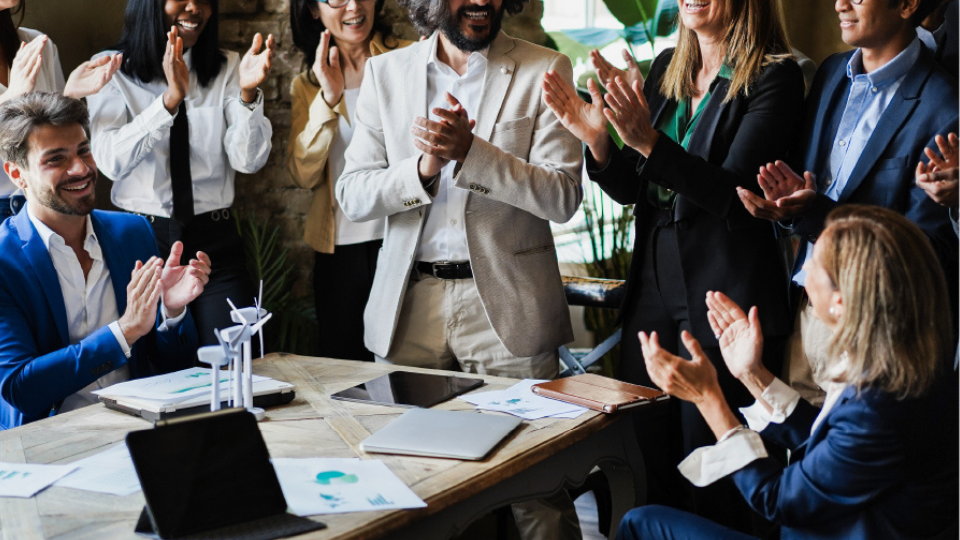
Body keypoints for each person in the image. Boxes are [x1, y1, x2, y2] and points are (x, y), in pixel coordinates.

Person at [542, 0, 803, 530]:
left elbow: (734, 195)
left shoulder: (776, 76)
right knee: (645, 464)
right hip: (653, 295)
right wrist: (598, 140)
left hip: (725, 299)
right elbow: (635, 188)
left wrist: (646, 139)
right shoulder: (667, 68)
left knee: (717, 478)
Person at [336, 0, 583, 537]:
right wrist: (424, 169)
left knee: (537, 494)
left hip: (508, 309)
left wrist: (473, 153)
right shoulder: (385, 73)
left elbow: (563, 196)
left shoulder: (545, 68)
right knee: (403, 480)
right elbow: (352, 195)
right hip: (409, 308)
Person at [622, 205, 958, 540]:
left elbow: (777, 499)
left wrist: (708, 398)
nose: (805, 266)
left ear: (840, 301)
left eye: (815, 262)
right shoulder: (909, 367)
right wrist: (752, 373)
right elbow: (830, 443)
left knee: (639, 523)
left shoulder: (877, 409)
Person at [737, 0, 958, 407]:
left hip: (872, 328)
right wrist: (789, 207)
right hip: (805, 309)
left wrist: (815, 212)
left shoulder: (944, 106)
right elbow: (808, 194)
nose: (840, 4)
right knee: (794, 442)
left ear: (907, 4)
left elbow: (925, 253)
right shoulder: (831, 73)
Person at [0, 92, 211, 430]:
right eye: (56, 159)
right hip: (51, 439)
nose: (81, 169)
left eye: (84, 151)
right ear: (17, 174)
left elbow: (174, 368)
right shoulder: (4, 259)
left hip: (140, 429)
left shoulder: (132, 232)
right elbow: (20, 387)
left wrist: (171, 313)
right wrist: (125, 332)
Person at [85, 0, 275, 346]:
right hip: (141, 240)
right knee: (153, 361)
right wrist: (169, 101)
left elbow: (247, 162)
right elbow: (110, 162)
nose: (195, 7)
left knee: (237, 355)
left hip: (213, 242)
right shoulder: (110, 68)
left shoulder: (228, 66)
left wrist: (248, 95)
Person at [287, 0, 411, 361]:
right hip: (339, 248)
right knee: (344, 368)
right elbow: (303, 174)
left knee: (405, 367)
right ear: (314, 10)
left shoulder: (409, 58)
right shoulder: (307, 85)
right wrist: (328, 98)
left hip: (402, 238)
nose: (354, 6)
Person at [0, 0, 121, 221]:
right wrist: (11, 97)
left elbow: (54, 135)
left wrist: (70, 95)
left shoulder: (36, 43)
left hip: (48, 203)